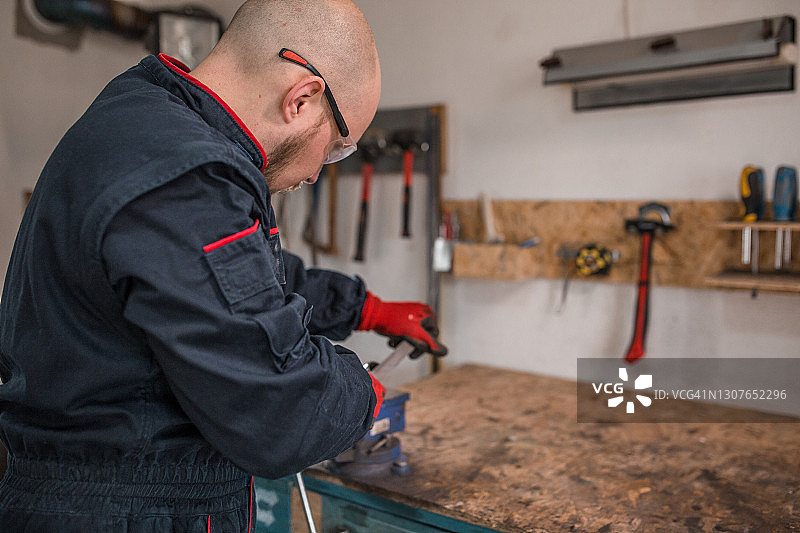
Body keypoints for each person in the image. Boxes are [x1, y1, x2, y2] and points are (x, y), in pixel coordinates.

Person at [0, 0, 446, 531]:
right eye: (337, 149)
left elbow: (243, 280)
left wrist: (365, 308)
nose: (316, 173)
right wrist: (360, 392)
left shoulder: (147, 123)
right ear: (302, 99)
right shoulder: (187, 177)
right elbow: (281, 411)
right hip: (127, 513)